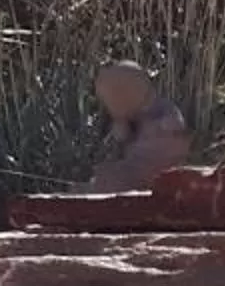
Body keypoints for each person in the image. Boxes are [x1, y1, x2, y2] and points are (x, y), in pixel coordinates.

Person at [83, 61, 193, 193]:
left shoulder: (164, 119)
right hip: (138, 174)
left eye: (110, 100)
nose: (109, 108)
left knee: (108, 178)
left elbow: (150, 166)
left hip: (154, 179)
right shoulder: (134, 117)